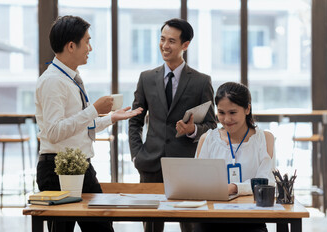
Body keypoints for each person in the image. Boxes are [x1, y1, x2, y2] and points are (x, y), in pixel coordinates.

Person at [35, 15, 142, 232]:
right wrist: (93, 109)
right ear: (72, 46)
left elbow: (78, 127)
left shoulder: (69, 78)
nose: (90, 48)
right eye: (87, 41)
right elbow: (54, 132)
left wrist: (110, 118)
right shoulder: (53, 81)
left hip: (81, 166)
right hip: (57, 170)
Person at [129, 18, 217, 232]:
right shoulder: (146, 78)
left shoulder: (201, 81)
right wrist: (136, 154)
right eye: (162, 39)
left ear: (185, 45)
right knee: (150, 227)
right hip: (150, 163)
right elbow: (135, 119)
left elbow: (212, 125)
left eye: (171, 41)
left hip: (186, 165)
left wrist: (193, 130)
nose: (164, 46)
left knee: (190, 226)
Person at [195, 82, 275, 232]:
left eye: (232, 112)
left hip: (251, 218)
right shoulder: (208, 139)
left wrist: (234, 187)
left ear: (247, 109)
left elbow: (268, 182)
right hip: (210, 217)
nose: (226, 119)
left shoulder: (264, 138)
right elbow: (197, 180)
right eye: (221, 113)